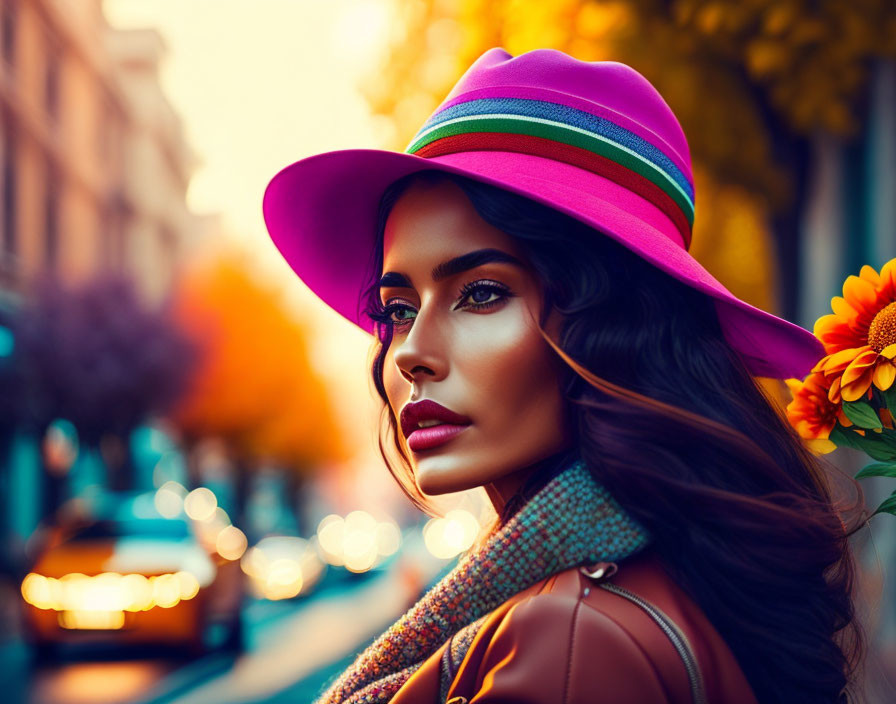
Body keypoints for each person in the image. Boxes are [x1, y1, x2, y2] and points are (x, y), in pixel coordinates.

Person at [263, 48, 868, 704]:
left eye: (482, 292)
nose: (411, 352)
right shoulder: (656, 580)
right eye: (399, 308)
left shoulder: (569, 638)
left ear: (612, 326)